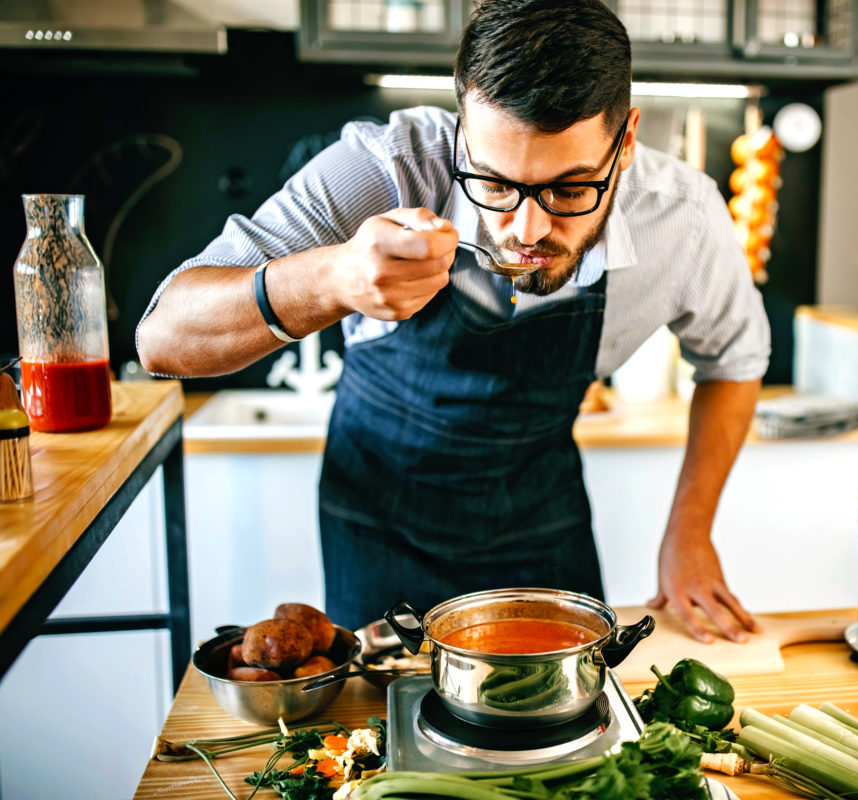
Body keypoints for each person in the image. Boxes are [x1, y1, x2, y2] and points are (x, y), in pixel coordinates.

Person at [137, 0, 770, 643]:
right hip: (378, 527)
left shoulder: (682, 218)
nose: (526, 230)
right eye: (493, 184)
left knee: (568, 731)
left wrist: (689, 533)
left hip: (543, 524)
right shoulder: (385, 167)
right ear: (462, 131)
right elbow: (162, 337)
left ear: (627, 140)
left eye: (571, 190)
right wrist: (332, 278)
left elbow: (735, 361)